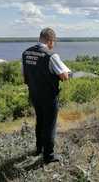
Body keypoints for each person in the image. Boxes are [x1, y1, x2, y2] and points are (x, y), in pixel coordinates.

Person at [22, 27, 71, 164]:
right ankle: (48, 156)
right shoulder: (51, 55)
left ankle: (39, 149)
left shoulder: (26, 53)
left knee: (40, 121)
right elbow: (64, 76)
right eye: (54, 42)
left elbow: (24, 74)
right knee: (49, 125)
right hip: (48, 96)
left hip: (34, 94)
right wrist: (66, 73)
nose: (53, 45)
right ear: (50, 40)